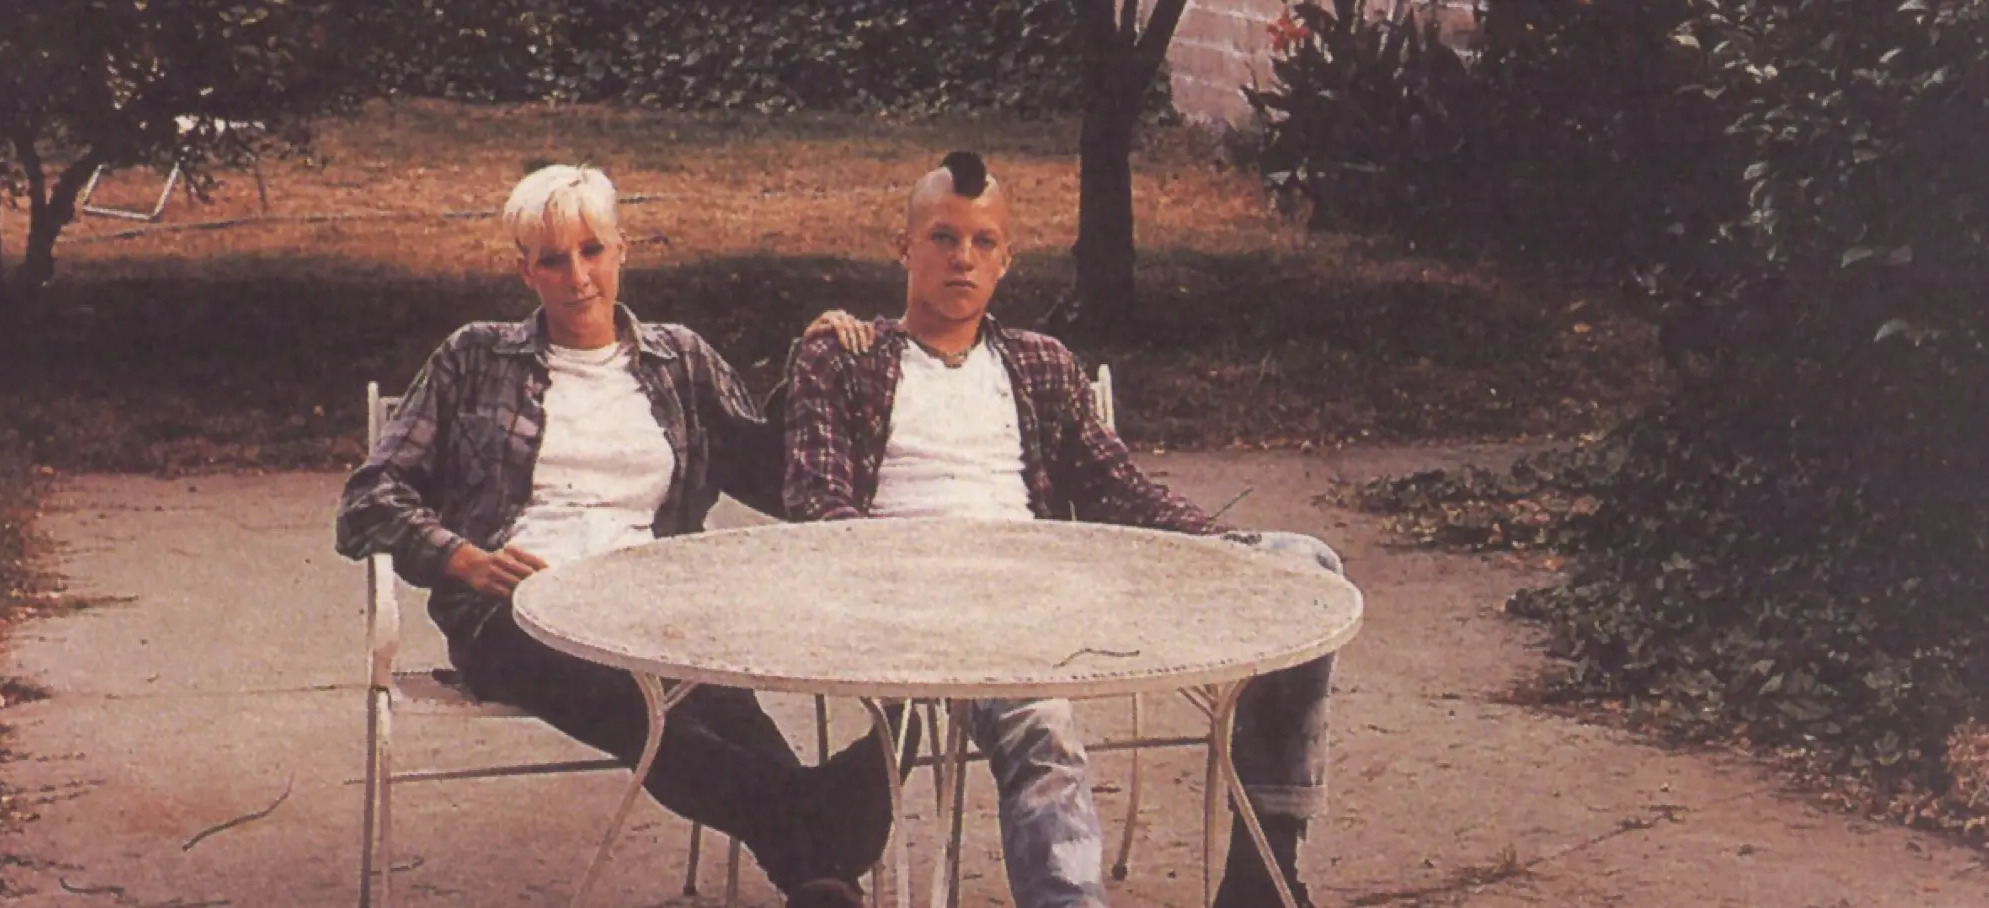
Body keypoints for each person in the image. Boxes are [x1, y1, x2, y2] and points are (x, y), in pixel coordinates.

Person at [785, 151, 1342, 908]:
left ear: (1007, 260)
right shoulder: (846, 356)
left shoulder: (1041, 365)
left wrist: (1220, 553)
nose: (962, 258)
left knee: (1307, 566)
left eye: (984, 243)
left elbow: (1120, 492)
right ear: (904, 247)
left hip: (1040, 591)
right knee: (1043, 729)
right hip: (911, 607)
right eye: (943, 238)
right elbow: (820, 507)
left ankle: (1262, 872)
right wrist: (909, 586)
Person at [337, 164, 886, 908]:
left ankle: (823, 883)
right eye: (554, 259)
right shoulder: (475, 356)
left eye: (592, 250)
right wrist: (461, 559)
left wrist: (813, 361)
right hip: (520, 613)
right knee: (643, 711)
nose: (578, 276)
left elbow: (776, 472)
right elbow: (369, 496)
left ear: (621, 249)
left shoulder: (679, 360)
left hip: (653, 608)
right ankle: (819, 814)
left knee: (721, 705)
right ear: (524, 268)